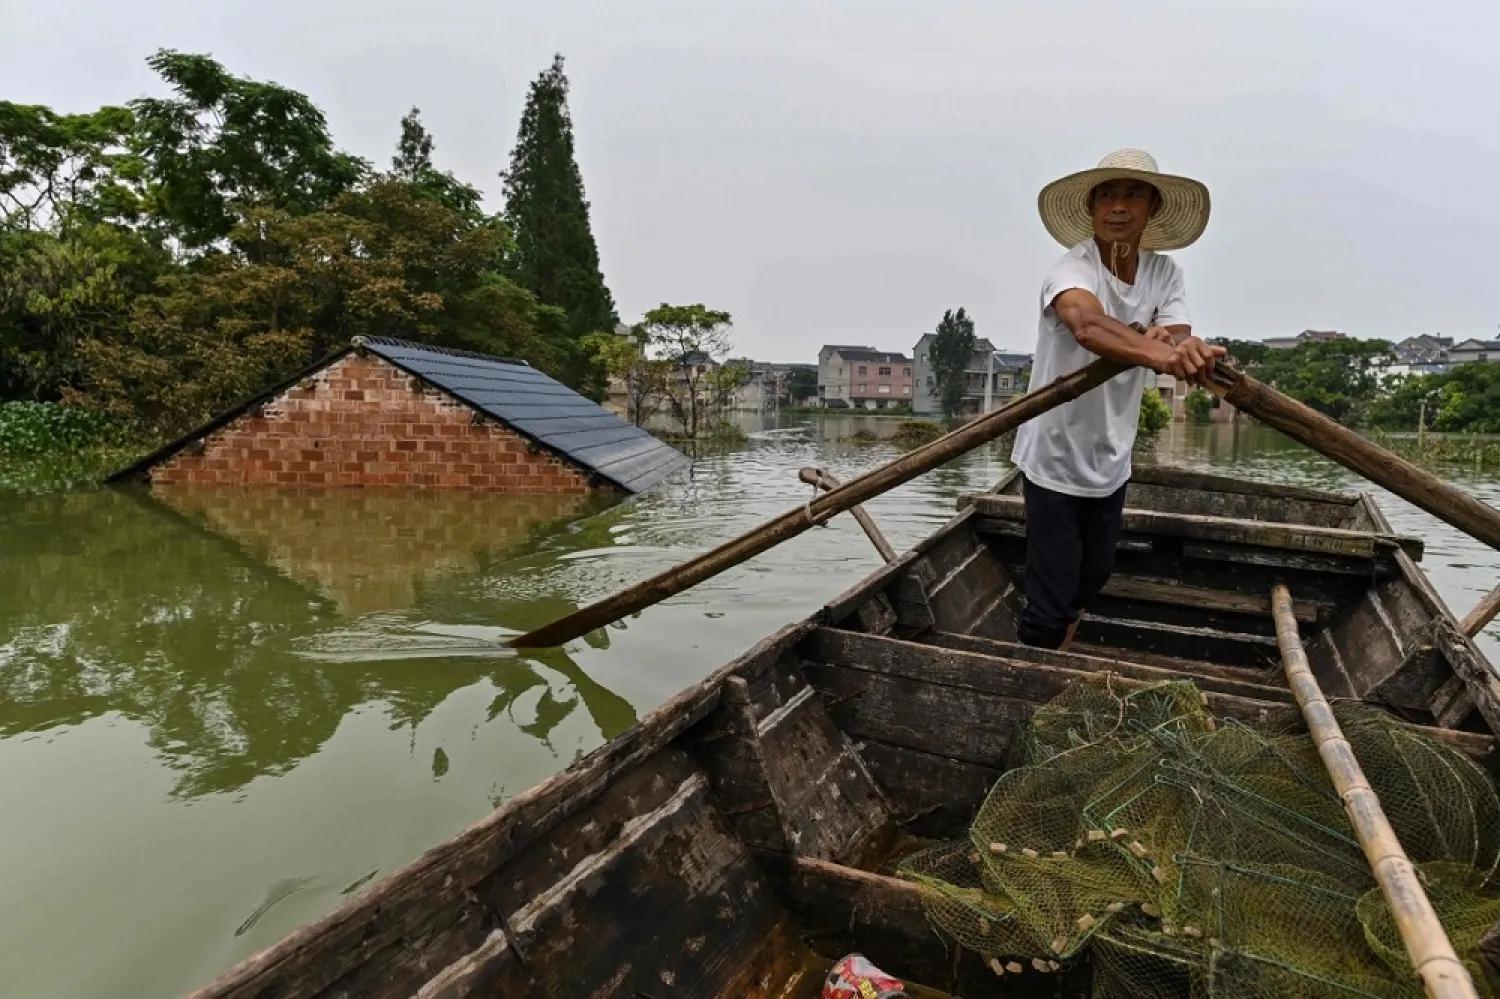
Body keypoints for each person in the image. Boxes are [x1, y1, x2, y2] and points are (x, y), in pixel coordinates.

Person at [1010, 149, 1225, 651]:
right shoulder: (1071, 269)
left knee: (1095, 575)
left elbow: (1176, 335)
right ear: (1092, 209)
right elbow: (1086, 324)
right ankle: (1030, 677)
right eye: (1107, 195)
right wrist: (1161, 352)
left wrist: (1181, 348)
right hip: (1054, 454)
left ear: (1152, 209)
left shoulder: (1163, 273)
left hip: (1112, 455)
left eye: (1132, 195)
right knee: (1051, 594)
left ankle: (1059, 646)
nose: (1118, 206)